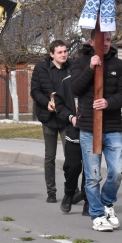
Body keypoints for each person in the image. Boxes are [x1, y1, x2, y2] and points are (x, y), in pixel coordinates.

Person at [70, 30, 122, 233]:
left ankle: (107, 203)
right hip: (89, 128)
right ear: (90, 41)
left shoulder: (118, 65)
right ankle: (96, 215)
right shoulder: (80, 62)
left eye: (108, 39)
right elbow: (75, 89)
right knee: (93, 175)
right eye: (101, 39)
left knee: (116, 171)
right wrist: (90, 68)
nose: (105, 43)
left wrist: (108, 102)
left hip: (112, 128)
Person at [30, 39, 71, 203]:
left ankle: (71, 189)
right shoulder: (41, 68)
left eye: (65, 51)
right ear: (52, 54)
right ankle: (51, 191)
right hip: (48, 118)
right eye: (60, 52)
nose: (63, 54)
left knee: (71, 156)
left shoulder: (71, 68)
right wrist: (46, 103)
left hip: (66, 117)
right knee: (50, 156)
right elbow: (34, 91)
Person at [53, 56, 88, 215]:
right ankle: (69, 193)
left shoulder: (97, 81)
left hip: (91, 133)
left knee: (91, 169)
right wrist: (71, 118)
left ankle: (89, 201)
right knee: (72, 167)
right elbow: (59, 107)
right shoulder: (67, 83)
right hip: (74, 133)